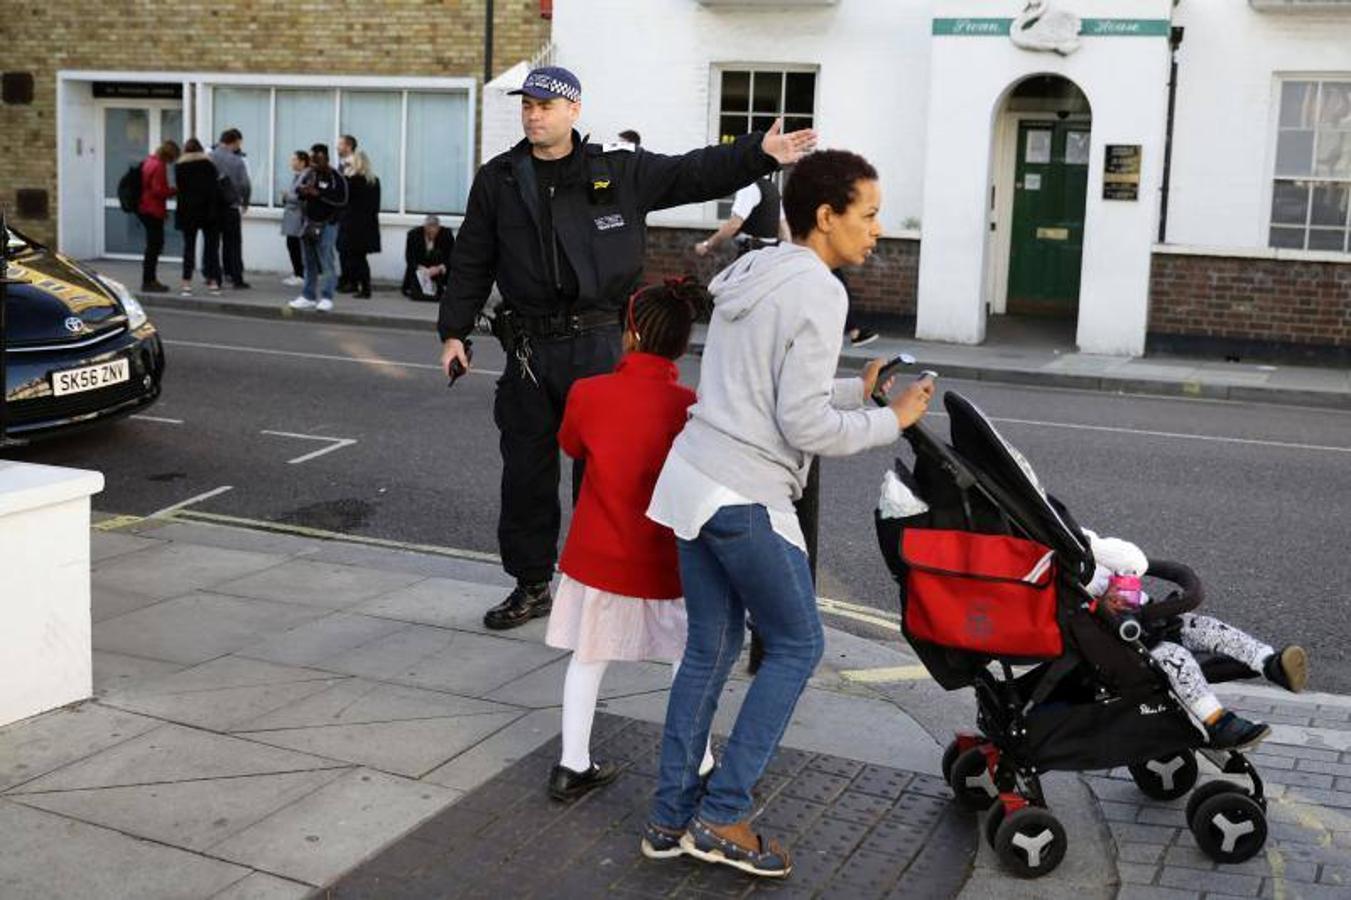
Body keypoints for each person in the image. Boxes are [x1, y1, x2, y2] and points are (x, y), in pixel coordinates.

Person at [437, 65, 817, 632]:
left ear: (573, 110)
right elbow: (471, 258)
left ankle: (602, 584)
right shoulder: (499, 179)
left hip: (597, 343)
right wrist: (454, 332)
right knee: (525, 474)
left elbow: (692, 172)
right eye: (527, 105)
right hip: (529, 350)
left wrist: (756, 153)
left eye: (545, 104)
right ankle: (532, 583)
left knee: (604, 473)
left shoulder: (617, 172)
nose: (534, 113)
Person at [641, 150, 934, 877]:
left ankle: (669, 817)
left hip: (693, 478)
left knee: (708, 650)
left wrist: (854, 391)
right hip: (743, 492)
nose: (877, 229)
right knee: (799, 646)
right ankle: (721, 814)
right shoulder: (820, 292)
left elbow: (762, 385)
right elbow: (802, 429)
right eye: (866, 214)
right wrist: (890, 423)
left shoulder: (755, 270)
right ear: (826, 216)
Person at [546, 278, 716, 802]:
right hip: (666, 558)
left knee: (588, 658)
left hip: (598, 554)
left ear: (630, 333)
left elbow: (572, 445)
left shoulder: (588, 393)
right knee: (688, 663)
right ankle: (701, 761)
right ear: (683, 345)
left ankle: (572, 765)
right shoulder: (690, 405)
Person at [1087, 533, 1309, 751]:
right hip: (1128, 643)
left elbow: (1134, 561)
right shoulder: (1075, 580)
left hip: (1153, 618)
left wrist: (1095, 547)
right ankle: (1216, 722)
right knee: (1177, 659)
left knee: (1210, 628)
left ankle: (1270, 662)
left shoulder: (1087, 548)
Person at [287, 143, 348, 313]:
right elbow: (295, 192)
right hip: (308, 222)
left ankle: (327, 297)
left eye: (317, 158)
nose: (314, 162)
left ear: (325, 158)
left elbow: (342, 199)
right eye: (312, 158)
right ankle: (308, 296)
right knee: (309, 261)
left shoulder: (335, 176)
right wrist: (303, 191)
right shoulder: (308, 174)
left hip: (328, 223)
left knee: (326, 260)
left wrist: (319, 194)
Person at [693, 175, 790, 259]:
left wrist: (707, 245)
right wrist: (788, 253)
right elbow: (783, 228)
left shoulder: (749, 187)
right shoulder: (772, 189)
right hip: (770, 254)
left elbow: (734, 224)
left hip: (752, 253)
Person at [172, 138, 221, 297]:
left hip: (188, 212)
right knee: (211, 248)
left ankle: (186, 284)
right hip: (209, 212)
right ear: (201, 150)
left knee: (189, 248)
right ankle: (213, 283)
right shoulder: (209, 165)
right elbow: (215, 189)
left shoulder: (180, 167)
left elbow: (180, 189)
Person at [209, 128, 252, 289]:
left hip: (213, 207)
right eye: (238, 144)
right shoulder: (237, 161)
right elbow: (245, 184)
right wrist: (245, 202)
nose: (238, 147)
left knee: (213, 243)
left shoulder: (209, 158)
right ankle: (236, 277)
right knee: (233, 243)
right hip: (231, 206)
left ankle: (214, 277)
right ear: (233, 142)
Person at [136, 139, 179, 292]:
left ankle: (149, 279)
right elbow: (158, 190)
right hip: (152, 209)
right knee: (154, 246)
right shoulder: (159, 165)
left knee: (152, 246)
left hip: (145, 207)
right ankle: (149, 281)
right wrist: (174, 191)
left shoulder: (149, 161)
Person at [337, 150, 381, 299]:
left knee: (355, 258)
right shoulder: (374, 181)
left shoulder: (353, 181)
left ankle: (364, 288)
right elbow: (375, 206)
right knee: (360, 258)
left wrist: (344, 175)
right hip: (367, 226)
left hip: (353, 226)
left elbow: (343, 200)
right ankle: (363, 287)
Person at [402, 214, 454, 302]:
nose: (432, 235)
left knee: (437, 255)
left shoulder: (446, 235)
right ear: (425, 228)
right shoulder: (413, 235)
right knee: (416, 291)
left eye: (435, 231)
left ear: (438, 228)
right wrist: (422, 268)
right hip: (421, 268)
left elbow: (452, 256)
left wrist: (440, 267)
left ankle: (441, 290)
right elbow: (409, 258)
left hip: (438, 268)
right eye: (429, 232)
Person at [280, 150, 310, 288]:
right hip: (293, 216)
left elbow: (302, 197)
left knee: (296, 245)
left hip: (298, 217)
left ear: (302, 162)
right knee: (292, 244)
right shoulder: (298, 175)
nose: (291, 162)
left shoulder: (306, 176)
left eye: (294, 159)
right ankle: (297, 272)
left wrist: (288, 196)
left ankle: (300, 274)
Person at [336, 134, 358, 293]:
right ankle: (345, 278)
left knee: (348, 249)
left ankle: (351, 280)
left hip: (350, 214)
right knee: (342, 248)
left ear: (348, 146)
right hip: (342, 213)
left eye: (340, 145)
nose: (337, 148)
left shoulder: (354, 164)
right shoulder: (342, 164)